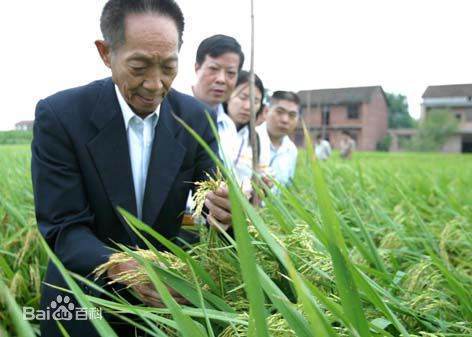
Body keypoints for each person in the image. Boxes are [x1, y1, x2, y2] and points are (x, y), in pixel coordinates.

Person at [31, 1, 232, 336]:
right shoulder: (61, 116)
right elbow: (63, 229)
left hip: (164, 305)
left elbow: (209, 206)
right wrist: (124, 266)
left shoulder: (196, 119)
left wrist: (231, 211)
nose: (155, 85)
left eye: (168, 67)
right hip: (81, 299)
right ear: (106, 53)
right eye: (139, 67)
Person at [224, 70, 267, 194]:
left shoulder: (255, 139)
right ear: (228, 96)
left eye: (255, 101)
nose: (248, 106)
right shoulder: (211, 127)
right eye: (242, 97)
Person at [257, 91, 300, 188]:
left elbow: (287, 188)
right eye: (279, 112)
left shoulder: (292, 150)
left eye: (292, 115)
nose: (285, 120)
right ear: (266, 112)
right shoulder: (248, 139)